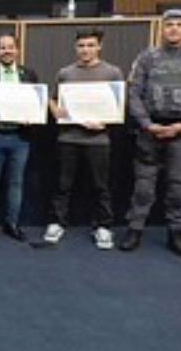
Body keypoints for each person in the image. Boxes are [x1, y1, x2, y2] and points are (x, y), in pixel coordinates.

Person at [121, 8, 181, 257]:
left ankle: (177, 233)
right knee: (143, 187)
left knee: (178, 187)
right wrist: (146, 123)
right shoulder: (147, 57)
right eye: (169, 24)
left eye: (179, 24)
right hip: (149, 131)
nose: (173, 28)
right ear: (162, 28)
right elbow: (133, 94)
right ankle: (134, 229)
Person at [43, 28, 124, 249]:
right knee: (62, 184)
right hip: (68, 138)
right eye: (81, 46)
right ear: (75, 47)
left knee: (101, 186)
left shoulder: (112, 72)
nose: (85, 50)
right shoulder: (65, 73)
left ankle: (103, 227)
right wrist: (55, 110)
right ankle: (57, 222)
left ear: (99, 46)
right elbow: (52, 98)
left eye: (90, 45)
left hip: (98, 140)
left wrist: (105, 121)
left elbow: (119, 105)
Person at [0, 33, 40, 241]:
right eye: (2, 47)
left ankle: (12, 223)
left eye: (11, 47)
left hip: (20, 138)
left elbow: (36, 104)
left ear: (17, 50)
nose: (7, 51)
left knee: (16, 184)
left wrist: (33, 117)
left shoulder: (28, 74)